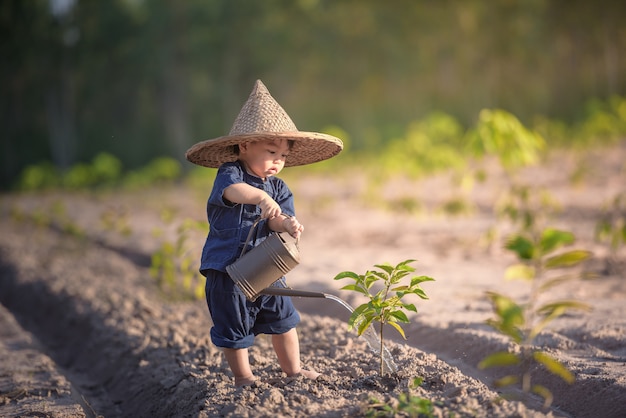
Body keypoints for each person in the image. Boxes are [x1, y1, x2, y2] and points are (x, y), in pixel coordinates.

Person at [185, 80, 343, 386]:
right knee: (233, 325)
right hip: (227, 269)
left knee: (284, 319)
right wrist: (258, 197)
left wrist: (286, 224)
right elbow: (231, 193)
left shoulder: (279, 188)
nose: (277, 162)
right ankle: (244, 377)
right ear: (245, 146)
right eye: (271, 152)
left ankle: (293, 371)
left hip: (266, 266)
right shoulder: (231, 173)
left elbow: (276, 220)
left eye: (283, 156)